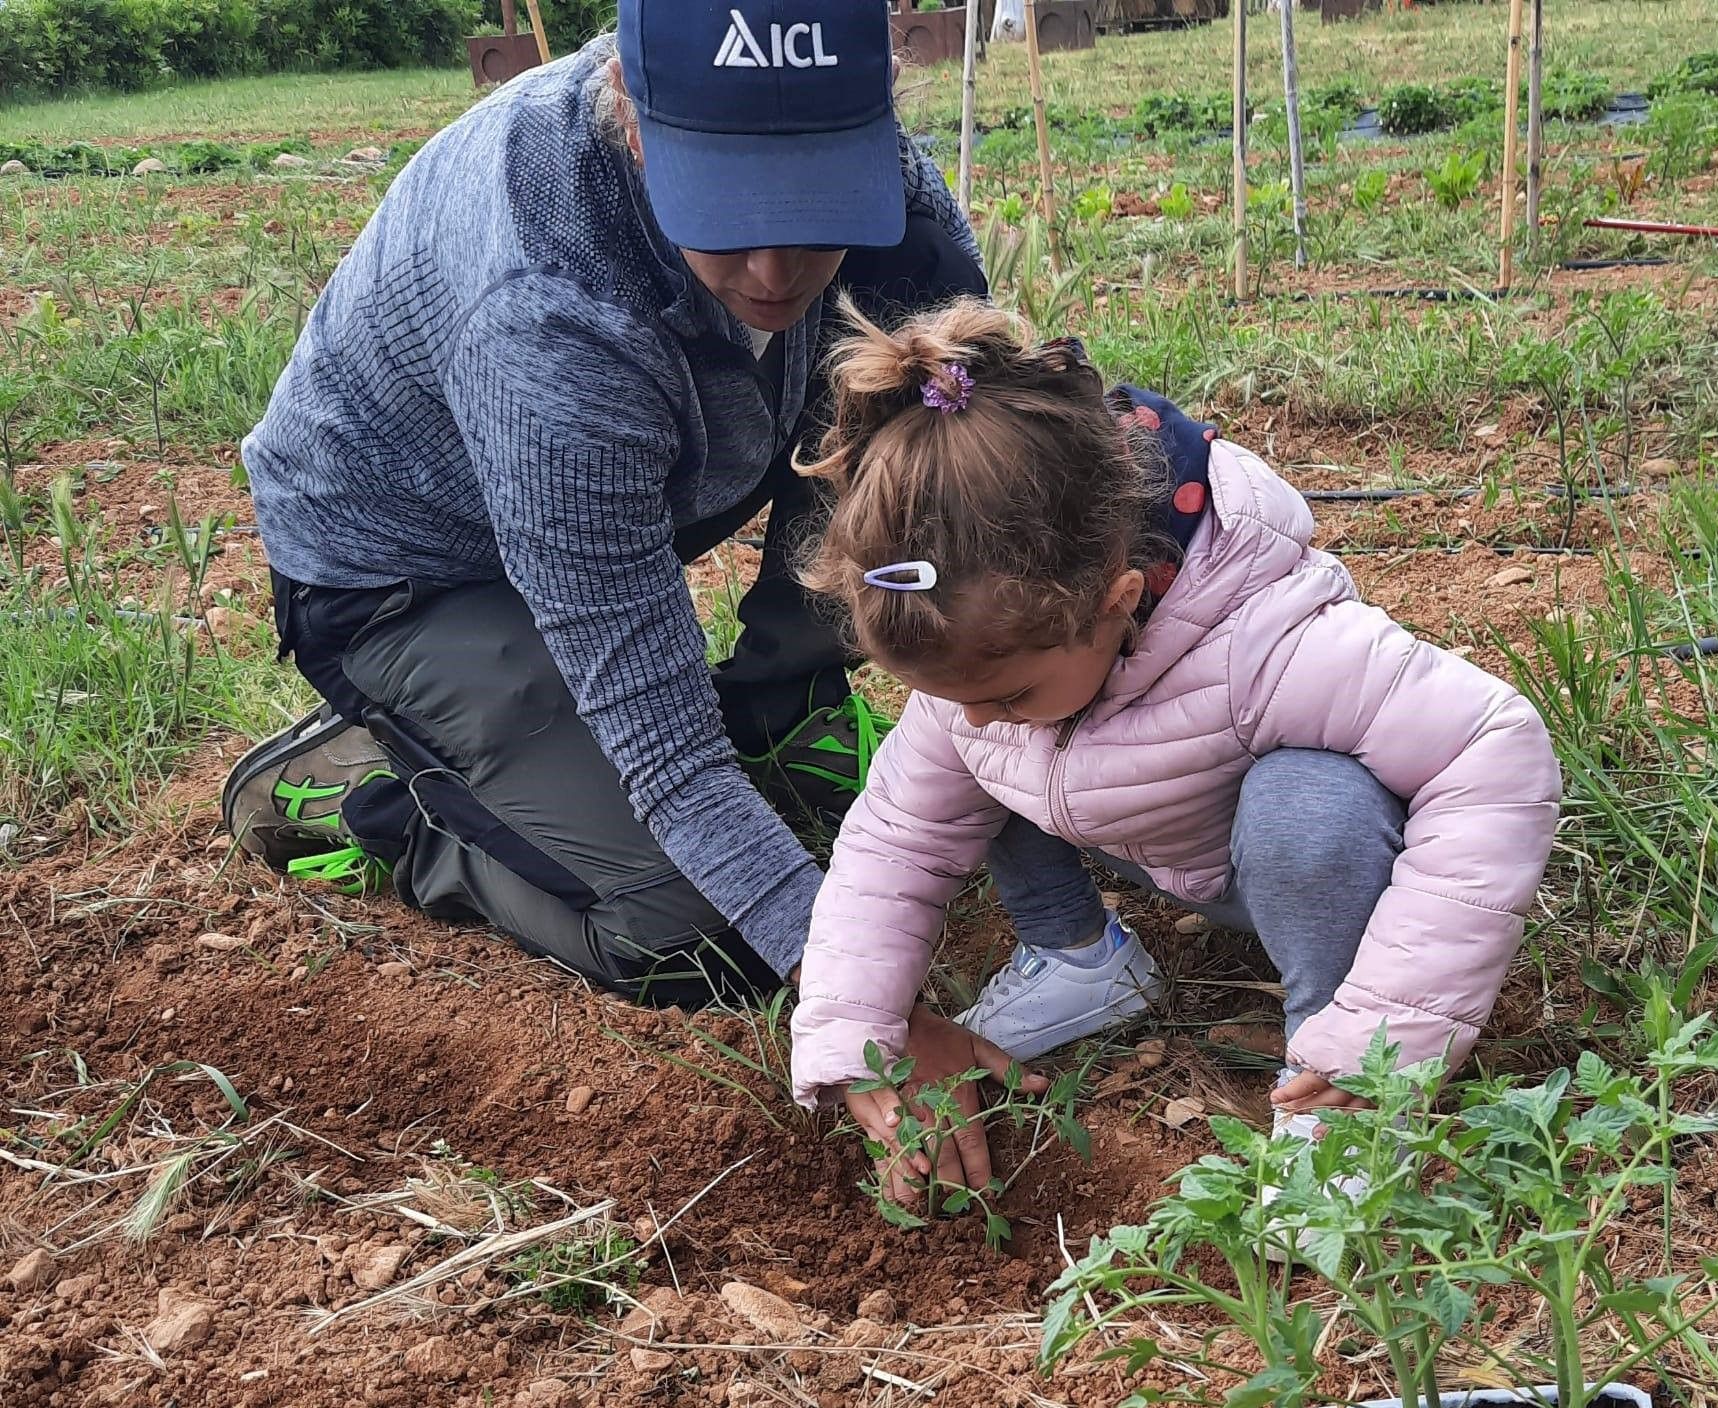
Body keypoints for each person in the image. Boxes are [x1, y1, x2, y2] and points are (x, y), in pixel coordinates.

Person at [220, 1, 1162, 1087]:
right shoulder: (548, 307)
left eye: (812, 211)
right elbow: (664, 750)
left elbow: (960, 464)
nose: (773, 270)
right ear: (633, 123)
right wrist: (864, 1007)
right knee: (687, 930)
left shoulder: (884, 189)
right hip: (409, 571)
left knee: (906, 423)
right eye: (724, 213)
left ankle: (780, 708)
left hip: (642, 481)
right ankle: (383, 798)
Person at [785, 301, 1562, 1206]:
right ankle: (1080, 958)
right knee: (966, 756)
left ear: (1115, 599)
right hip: (1151, 835)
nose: (986, 717)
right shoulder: (997, 665)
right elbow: (897, 844)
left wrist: (1385, 1036)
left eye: (1009, 692)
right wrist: (858, 1037)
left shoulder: (1268, 640)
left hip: (1282, 862)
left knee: (1310, 801)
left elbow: (1495, 749)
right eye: (956, 693)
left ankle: (1336, 1097)